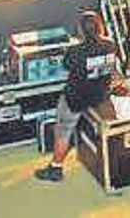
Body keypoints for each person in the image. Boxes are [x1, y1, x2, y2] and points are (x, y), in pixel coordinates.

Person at [34, 11, 124, 183]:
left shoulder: (75, 51)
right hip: (100, 95)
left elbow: (67, 66)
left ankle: (56, 168)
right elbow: (111, 68)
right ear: (100, 26)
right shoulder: (111, 44)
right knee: (112, 128)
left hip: (76, 99)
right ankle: (117, 162)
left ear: (81, 31)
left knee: (63, 129)